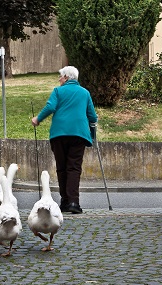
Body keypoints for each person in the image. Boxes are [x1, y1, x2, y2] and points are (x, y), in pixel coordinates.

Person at [31, 66, 98, 214]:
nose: (59, 79)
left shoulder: (58, 91)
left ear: (67, 77)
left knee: (61, 168)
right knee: (74, 168)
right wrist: (92, 129)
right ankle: (74, 202)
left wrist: (38, 119)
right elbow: (92, 117)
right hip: (78, 135)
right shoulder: (85, 93)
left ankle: (65, 202)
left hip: (59, 135)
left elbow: (50, 106)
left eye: (60, 76)